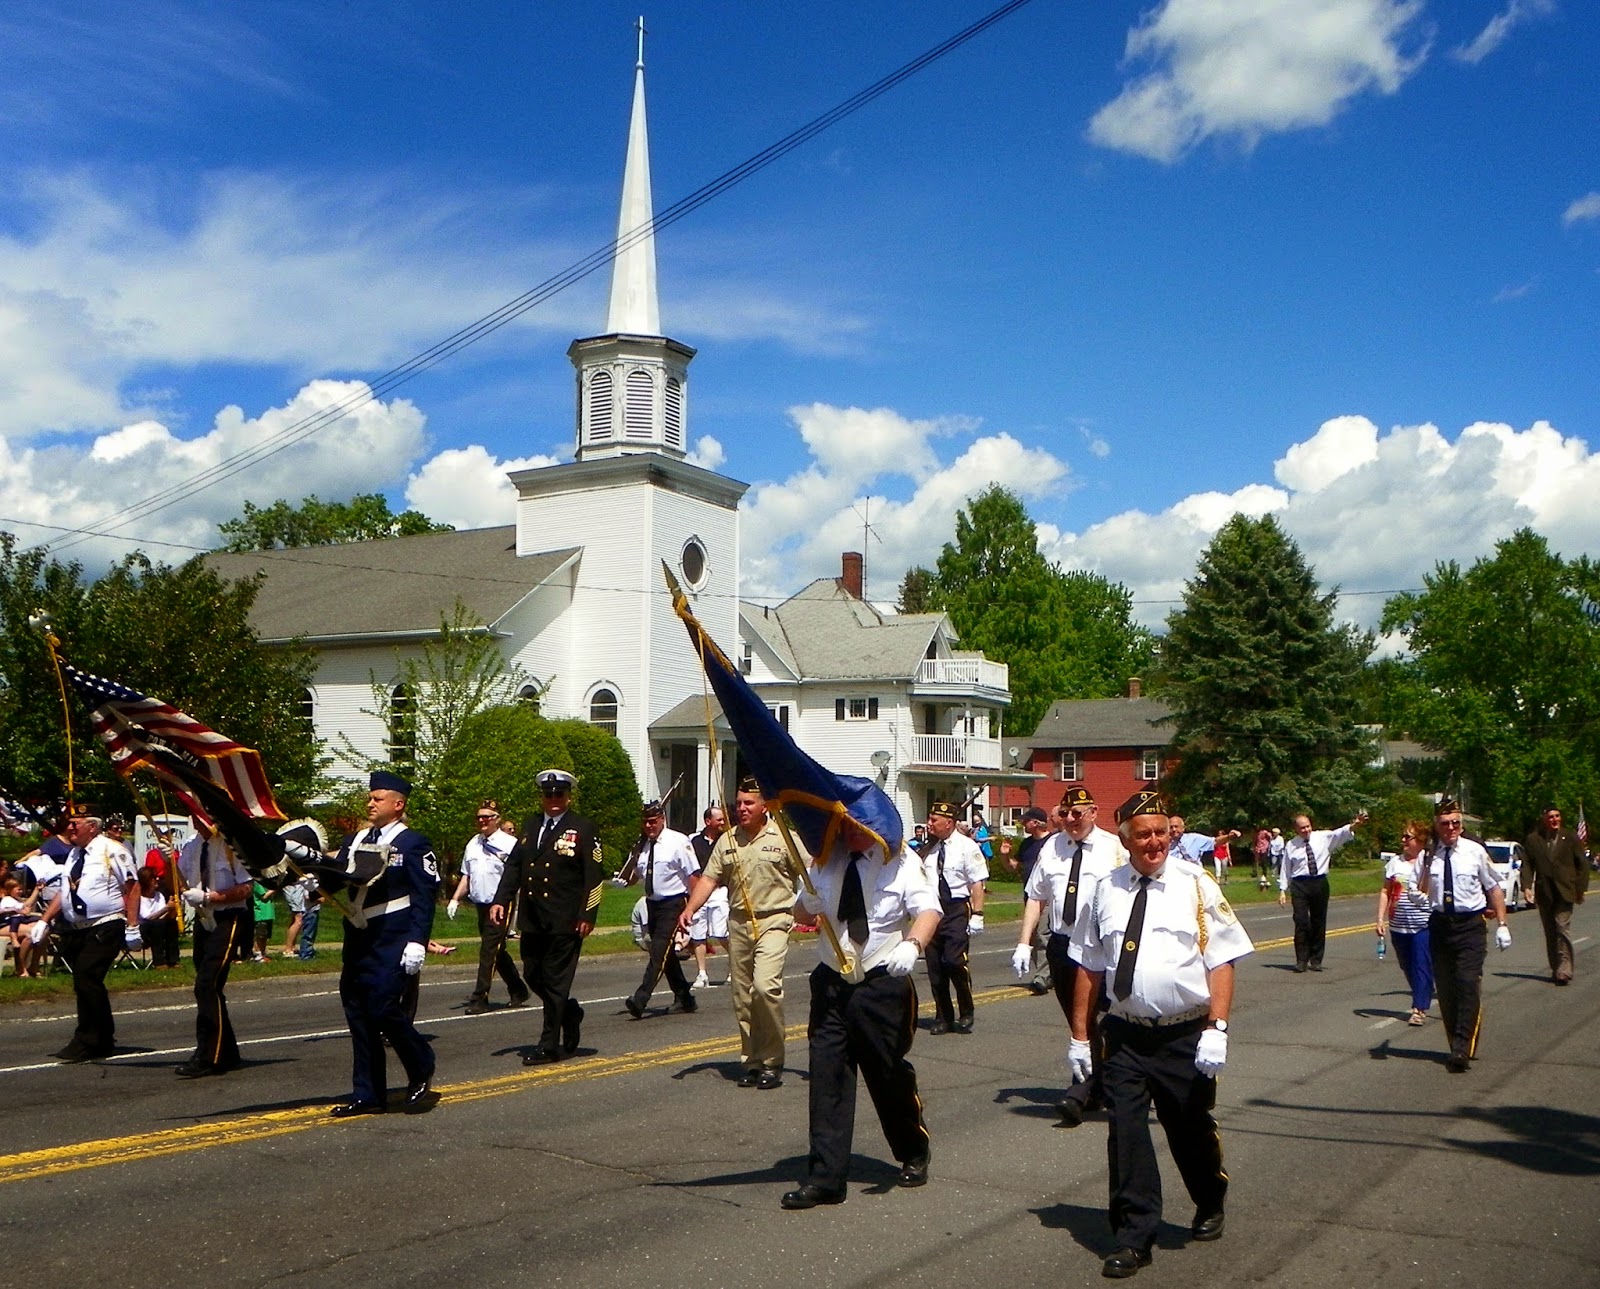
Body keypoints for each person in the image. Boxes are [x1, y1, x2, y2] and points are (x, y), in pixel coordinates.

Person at [1068, 789, 1254, 1279]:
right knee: (1126, 1132)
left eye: (1161, 833)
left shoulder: (1196, 884)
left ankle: (1209, 1196)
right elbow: (1088, 966)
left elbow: (1222, 959)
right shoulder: (1105, 890)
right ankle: (1134, 1236)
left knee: (1188, 1128)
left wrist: (1217, 1027)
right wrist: (1080, 1036)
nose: (1154, 843)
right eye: (1143, 835)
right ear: (1126, 840)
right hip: (1125, 1035)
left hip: (1183, 1034)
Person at [781, 817, 941, 1210]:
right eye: (844, 826)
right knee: (827, 1076)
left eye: (858, 826)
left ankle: (912, 1149)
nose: (850, 833)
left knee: (887, 1073)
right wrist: (806, 906)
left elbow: (928, 910)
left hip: (882, 979)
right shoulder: (825, 860)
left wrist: (913, 944)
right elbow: (801, 913)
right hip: (832, 980)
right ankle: (826, 1178)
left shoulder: (901, 861)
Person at [1013, 785, 1128, 1125]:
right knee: (1080, 1019)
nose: (1071, 820)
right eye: (1065, 814)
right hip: (1063, 944)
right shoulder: (1052, 846)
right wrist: (1024, 942)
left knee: (1101, 1017)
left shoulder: (1114, 848)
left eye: (1078, 813)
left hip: (1101, 947)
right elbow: (1036, 897)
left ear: (1094, 813)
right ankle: (1096, 1087)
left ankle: (1080, 1092)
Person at [679, 777, 804, 1088]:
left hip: (774, 920)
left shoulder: (784, 837)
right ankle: (753, 1061)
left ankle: (773, 1060)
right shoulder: (728, 841)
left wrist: (819, 907)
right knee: (743, 996)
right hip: (738, 923)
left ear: (765, 806)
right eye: (738, 803)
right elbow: (709, 879)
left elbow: (812, 872)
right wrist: (690, 909)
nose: (742, 808)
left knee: (765, 987)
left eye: (749, 803)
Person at [330, 770, 441, 1114]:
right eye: (370, 797)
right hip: (360, 937)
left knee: (382, 1007)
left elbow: (424, 896)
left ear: (398, 804)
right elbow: (337, 877)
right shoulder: (356, 840)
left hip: (393, 938)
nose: (370, 803)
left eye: (378, 798)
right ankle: (368, 1093)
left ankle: (421, 1062)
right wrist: (312, 881)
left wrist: (417, 941)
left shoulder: (412, 843)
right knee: (358, 1013)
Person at [490, 768, 604, 1066]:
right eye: (548, 794)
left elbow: (594, 876)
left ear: (568, 797)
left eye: (559, 794)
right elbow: (515, 866)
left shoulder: (583, 827)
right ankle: (569, 1012)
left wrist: (588, 913)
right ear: (542, 797)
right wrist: (501, 899)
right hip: (533, 918)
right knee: (532, 975)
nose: (553, 799)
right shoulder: (530, 825)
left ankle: (549, 1045)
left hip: (565, 918)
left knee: (555, 982)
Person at [33, 806, 140, 1061]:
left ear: (92, 826)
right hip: (80, 928)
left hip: (107, 923)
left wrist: (133, 926)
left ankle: (88, 1039)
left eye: (75, 823)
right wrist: (44, 920)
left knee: (86, 975)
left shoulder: (112, 850)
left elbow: (132, 887)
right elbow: (65, 891)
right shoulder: (75, 854)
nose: (70, 828)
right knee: (85, 981)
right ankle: (101, 1038)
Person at [1427, 798, 1509, 1073]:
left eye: (1455, 823)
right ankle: (1457, 1042)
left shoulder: (1475, 851)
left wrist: (1502, 924)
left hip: (1470, 926)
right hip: (1440, 925)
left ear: (1461, 825)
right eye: (1445, 823)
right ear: (1437, 826)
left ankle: (1461, 1047)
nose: (1451, 828)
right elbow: (1420, 886)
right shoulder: (1430, 854)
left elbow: (1494, 887)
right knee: (1446, 990)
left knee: (1467, 982)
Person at [173, 820, 255, 1075]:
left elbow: (247, 888)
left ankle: (210, 1056)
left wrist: (211, 897)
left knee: (207, 983)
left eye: (200, 814)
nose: (196, 819)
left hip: (229, 916)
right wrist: (168, 862)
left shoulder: (232, 847)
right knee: (209, 985)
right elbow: (177, 881)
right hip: (204, 919)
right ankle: (226, 1052)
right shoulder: (193, 845)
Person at [616, 799, 700, 1019]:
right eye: (645, 822)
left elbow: (693, 876)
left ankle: (640, 999)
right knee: (666, 955)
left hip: (674, 903)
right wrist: (624, 880)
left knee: (658, 953)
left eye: (653, 821)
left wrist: (693, 908)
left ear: (663, 819)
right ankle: (684, 997)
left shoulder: (678, 841)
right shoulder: (642, 845)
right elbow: (637, 875)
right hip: (652, 905)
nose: (649, 826)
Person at [449, 800, 529, 1013]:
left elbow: (518, 874)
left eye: (487, 817)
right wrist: (455, 899)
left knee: (488, 949)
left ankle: (480, 998)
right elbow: (467, 875)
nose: (482, 821)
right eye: (479, 817)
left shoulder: (509, 843)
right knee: (497, 951)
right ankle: (518, 989)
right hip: (481, 903)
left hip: (501, 903)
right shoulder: (473, 843)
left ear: (497, 819)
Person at [919, 800, 987, 1034]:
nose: (929, 824)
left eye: (934, 820)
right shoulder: (928, 849)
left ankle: (966, 1009)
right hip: (931, 910)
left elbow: (977, 882)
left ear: (949, 823)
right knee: (935, 967)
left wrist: (977, 914)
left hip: (956, 909)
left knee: (954, 961)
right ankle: (943, 1016)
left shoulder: (966, 847)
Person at [1278, 808, 1368, 972]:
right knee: (1301, 921)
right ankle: (1301, 960)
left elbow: (1341, 833)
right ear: (1296, 829)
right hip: (1299, 884)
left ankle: (1316, 959)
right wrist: (1282, 890)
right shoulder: (1291, 845)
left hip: (1319, 882)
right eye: (1302, 828)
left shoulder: (1323, 837)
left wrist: (1355, 825)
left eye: (1308, 826)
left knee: (1318, 921)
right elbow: (1286, 868)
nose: (1306, 830)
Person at [1521, 806, 1589, 984]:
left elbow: (1582, 864)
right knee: (1550, 932)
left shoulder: (1570, 837)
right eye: (1551, 817)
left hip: (1565, 891)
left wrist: (1580, 889)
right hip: (1545, 892)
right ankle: (1556, 968)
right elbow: (1527, 864)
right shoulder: (1533, 839)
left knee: (1561, 928)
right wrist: (1526, 887)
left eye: (1557, 816)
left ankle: (1565, 970)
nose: (1555, 820)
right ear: (1544, 819)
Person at [1376, 821, 1434, 1025]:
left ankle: (1419, 1009)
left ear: (1420, 840)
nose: (1403, 840)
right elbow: (1386, 891)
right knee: (1407, 966)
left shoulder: (1430, 863)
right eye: (1403, 836)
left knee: (1420, 965)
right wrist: (1380, 918)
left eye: (1407, 837)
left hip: (1423, 925)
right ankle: (1423, 991)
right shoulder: (1395, 863)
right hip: (1398, 925)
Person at [1010, 806, 1054, 992]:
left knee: (1043, 935)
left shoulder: (1053, 842)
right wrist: (1005, 856)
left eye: (1026, 821)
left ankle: (1042, 977)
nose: (1023, 824)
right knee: (1035, 936)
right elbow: (1014, 867)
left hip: (1049, 897)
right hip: (1031, 896)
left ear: (1036, 823)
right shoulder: (1026, 844)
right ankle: (1049, 974)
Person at [687, 805, 730, 988]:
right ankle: (702, 974)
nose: (722, 822)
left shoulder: (727, 841)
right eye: (719, 819)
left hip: (719, 893)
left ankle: (735, 967)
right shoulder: (693, 841)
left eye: (723, 819)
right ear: (707, 821)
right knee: (698, 935)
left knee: (721, 933)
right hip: (698, 893)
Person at [136, 865, 180, 969]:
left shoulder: (159, 895)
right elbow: (148, 917)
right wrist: (166, 908)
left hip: (159, 926)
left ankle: (173, 960)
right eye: (153, 878)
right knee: (156, 925)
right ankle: (159, 962)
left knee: (171, 924)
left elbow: (162, 916)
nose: (157, 880)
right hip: (143, 930)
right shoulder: (139, 898)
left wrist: (171, 909)